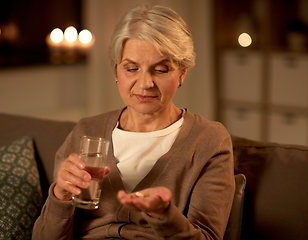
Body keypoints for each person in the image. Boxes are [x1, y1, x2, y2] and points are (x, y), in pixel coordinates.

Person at [32, 4, 235, 240]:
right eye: (131, 68)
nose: (145, 83)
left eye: (160, 69)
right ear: (116, 72)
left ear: (182, 74)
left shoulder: (209, 140)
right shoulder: (86, 132)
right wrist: (61, 196)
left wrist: (165, 216)